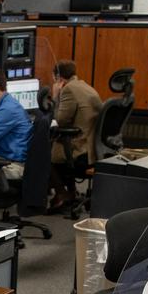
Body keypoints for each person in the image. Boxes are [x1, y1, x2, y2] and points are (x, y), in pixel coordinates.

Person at [48, 59, 102, 210]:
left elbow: (60, 120)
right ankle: (70, 192)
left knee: (44, 155)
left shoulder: (68, 89)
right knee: (58, 147)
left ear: (59, 79)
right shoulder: (84, 85)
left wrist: (55, 96)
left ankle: (62, 193)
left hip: (80, 150)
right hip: (93, 148)